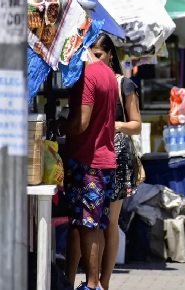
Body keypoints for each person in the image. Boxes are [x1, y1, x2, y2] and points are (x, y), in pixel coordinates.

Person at [58, 44, 118, 290]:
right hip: (105, 160)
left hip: (88, 162)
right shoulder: (108, 74)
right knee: (97, 225)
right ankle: (95, 284)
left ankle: (92, 285)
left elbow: (81, 122)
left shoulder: (88, 75)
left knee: (86, 226)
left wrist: (60, 127)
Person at [91, 34, 142, 290]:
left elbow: (137, 124)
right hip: (93, 153)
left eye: (98, 54)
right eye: (91, 54)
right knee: (94, 220)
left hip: (117, 154)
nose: (94, 59)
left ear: (110, 54)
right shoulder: (88, 78)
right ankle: (92, 278)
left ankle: (104, 282)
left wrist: (117, 125)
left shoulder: (125, 84)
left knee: (110, 221)